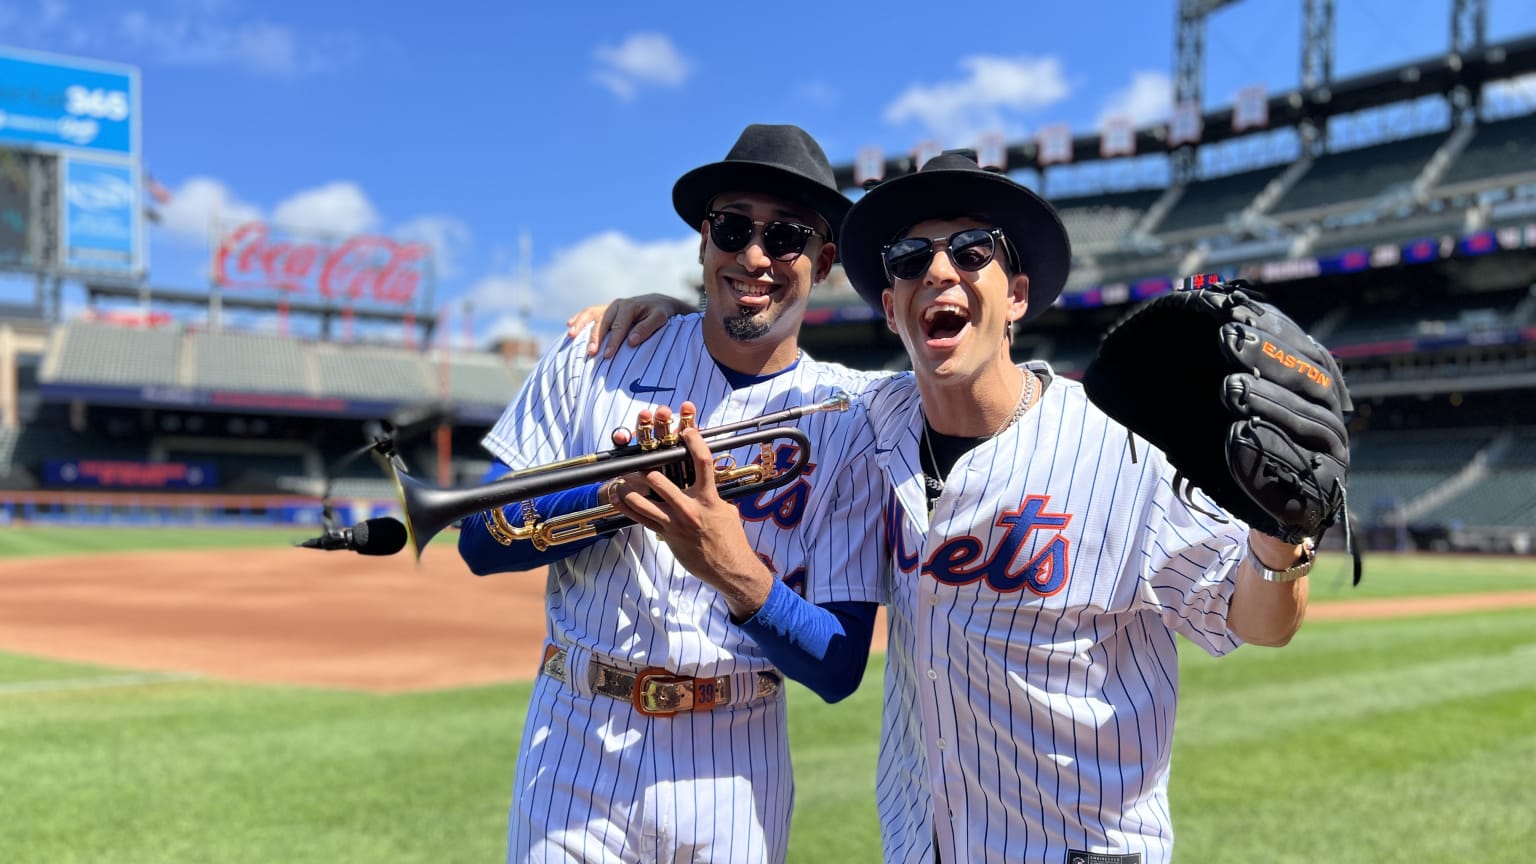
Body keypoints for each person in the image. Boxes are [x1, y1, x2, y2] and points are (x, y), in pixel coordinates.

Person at [593, 151, 1316, 863]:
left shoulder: (1119, 446)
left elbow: (1257, 619)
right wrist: (673, 322)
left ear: (1018, 297)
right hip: (921, 844)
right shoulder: (868, 419)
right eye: (910, 259)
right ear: (890, 308)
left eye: (973, 251)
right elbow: (755, 364)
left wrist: (1279, 539)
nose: (939, 270)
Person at [456, 123, 886, 864]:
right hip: (578, 738)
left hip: (736, 756)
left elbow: (839, 668)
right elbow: (476, 542)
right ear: (701, 240)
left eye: (785, 236)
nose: (754, 255)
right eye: (732, 227)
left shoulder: (849, 415)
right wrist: (613, 496)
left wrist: (732, 568)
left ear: (824, 260)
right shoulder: (600, 355)